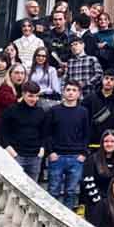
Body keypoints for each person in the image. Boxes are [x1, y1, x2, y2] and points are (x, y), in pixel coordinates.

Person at [43, 81, 91, 209]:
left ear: (79, 94)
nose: (71, 92)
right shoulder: (54, 111)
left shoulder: (83, 112)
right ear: (63, 92)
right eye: (68, 89)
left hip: (76, 157)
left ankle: (66, 220)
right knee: (53, 191)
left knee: (71, 192)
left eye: (74, 90)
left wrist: (83, 153)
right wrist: (51, 152)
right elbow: (47, 133)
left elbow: (87, 134)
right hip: (57, 157)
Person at [0, 80, 46, 180]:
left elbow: (44, 133)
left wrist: (42, 149)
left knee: (33, 189)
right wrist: (12, 152)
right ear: (23, 94)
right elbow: (2, 133)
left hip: (35, 157)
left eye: (36, 96)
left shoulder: (40, 112)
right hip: (17, 155)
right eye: (30, 96)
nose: (34, 99)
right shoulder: (11, 110)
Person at [83, 69, 114, 147]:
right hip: (91, 146)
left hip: (110, 146)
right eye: (106, 78)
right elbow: (83, 123)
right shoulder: (89, 99)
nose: (108, 81)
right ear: (102, 79)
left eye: (112, 79)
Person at [80, 129, 114, 211]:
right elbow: (88, 182)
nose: (109, 144)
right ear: (102, 143)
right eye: (106, 141)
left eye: (112, 141)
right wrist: (101, 202)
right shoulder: (92, 159)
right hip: (96, 204)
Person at [0, 63, 26, 139]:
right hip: (1, 128)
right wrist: (25, 96)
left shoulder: (20, 87)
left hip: (12, 126)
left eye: (22, 73)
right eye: (16, 73)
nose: (20, 76)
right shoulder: (5, 87)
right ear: (10, 74)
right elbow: (14, 104)